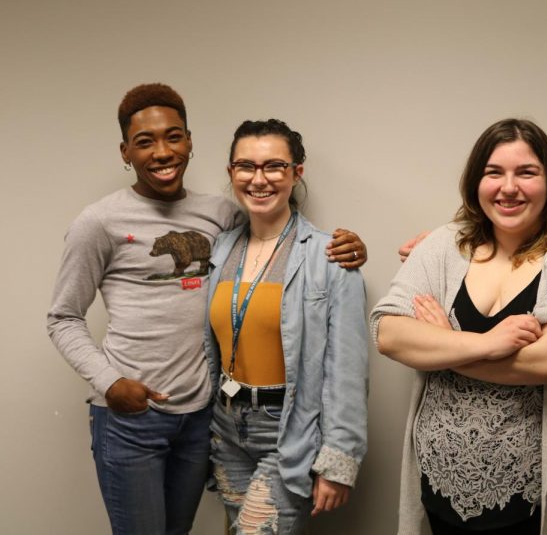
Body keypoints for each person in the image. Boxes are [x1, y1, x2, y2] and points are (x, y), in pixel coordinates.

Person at [46, 84, 367, 535]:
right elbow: (62, 317)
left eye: (173, 137)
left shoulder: (224, 218)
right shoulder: (99, 222)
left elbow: (286, 249)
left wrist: (348, 248)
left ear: (190, 142)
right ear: (125, 151)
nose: (162, 152)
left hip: (204, 420)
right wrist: (109, 381)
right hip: (137, 419)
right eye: (145, 142)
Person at [373, 118, 547, 535]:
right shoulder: (445, 244)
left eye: (526, 172)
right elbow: (390, 334)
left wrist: (445, 345)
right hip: (437, 485)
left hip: (532, 500)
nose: (509, 187)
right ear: (475, 182)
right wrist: (486, 343)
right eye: (494, 173)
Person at [204, 118, 368, 534]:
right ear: (231, 174)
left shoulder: (331, 258)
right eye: (246, 166)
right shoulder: (221, 249)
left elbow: (347, 371)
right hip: (225, 428)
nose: (259, 179)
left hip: (287, 431)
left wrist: (339, 461)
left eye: (274, 166)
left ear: (297, 173)